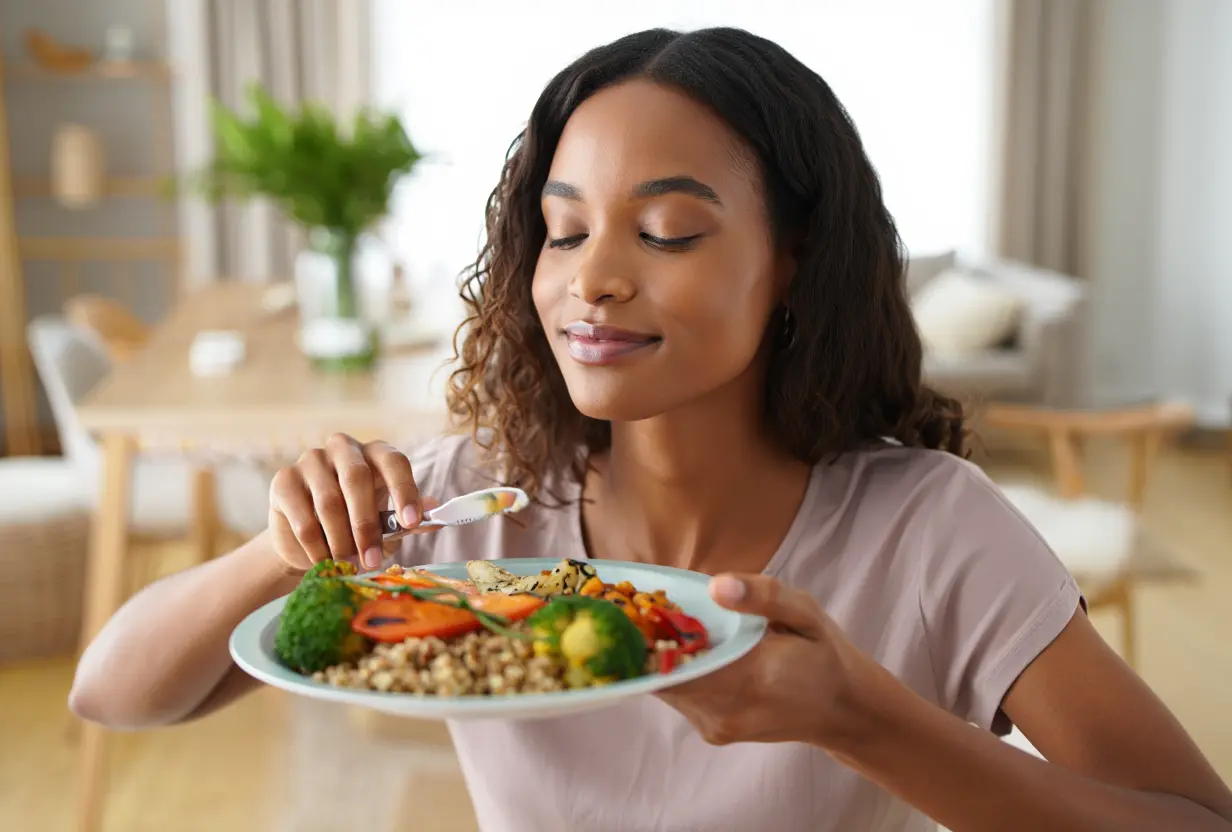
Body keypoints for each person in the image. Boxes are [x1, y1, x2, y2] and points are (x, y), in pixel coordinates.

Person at [71, 27, 1232, 832]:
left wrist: (861, 718)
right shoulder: (476, 503)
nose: (595, 282)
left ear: (794, 264)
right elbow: (113, 691)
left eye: (668, 231)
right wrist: (289, 549)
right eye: (564, 233)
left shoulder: (928, 525)